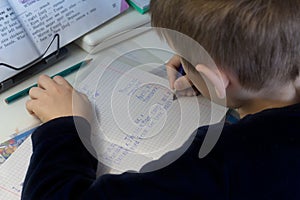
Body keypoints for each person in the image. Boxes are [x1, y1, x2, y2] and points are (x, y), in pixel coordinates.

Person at [22, 0, 300, 199]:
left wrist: (63, 126)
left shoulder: (223, 165)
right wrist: (212, 71)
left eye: (186, 57)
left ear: (217, 78)